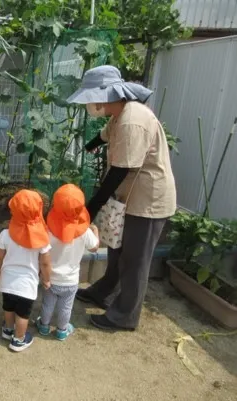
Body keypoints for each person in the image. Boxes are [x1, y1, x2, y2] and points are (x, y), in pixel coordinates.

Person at [66, 65, 176, 331]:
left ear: (106, 94)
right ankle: (102, 291)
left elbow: (120, 171)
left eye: (92, 98)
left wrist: (91, 207)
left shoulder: (132, 119)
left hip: (147, 200)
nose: (91, 104)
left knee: (135, 259)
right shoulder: (119, 114)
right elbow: (106, 134)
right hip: (129, 196)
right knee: (117, 249)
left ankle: (124, 315)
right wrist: (93, 143)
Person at [35, 184, 100, 340]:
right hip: (71, 280)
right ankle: (62, 330)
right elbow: (94, 248)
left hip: (50, 278)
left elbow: (41, 251)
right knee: (66, 307)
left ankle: (43, 326)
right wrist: (95, 231)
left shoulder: (48, 229)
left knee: (47, 304)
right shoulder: (84, 232)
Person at [0, 189, 52, 352]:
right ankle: (19, 339)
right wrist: (47, 279)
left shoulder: (5, 234)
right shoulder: (42, 239)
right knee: (23, 313)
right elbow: (45, 263)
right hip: (27, 284)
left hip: (7, 280)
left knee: (8, 307)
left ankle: (8, 329)